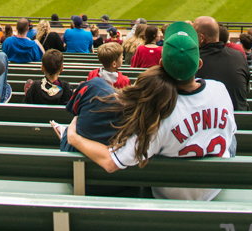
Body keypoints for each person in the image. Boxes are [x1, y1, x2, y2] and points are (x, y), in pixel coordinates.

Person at [64, 21, 237, 201]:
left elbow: (110, 162)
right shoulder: (220, 90)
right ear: (199, 63)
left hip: (169, 197)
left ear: (161, 64)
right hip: (213, 189)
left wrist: (73, 137)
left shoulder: (157, 114)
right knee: (230, 137)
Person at [193, 16, 250, 112]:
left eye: (194, 35)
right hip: (240, 118)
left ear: (202, 38)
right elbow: (245, 90)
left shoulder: (193, 60)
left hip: (211, 121)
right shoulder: (239, 56)